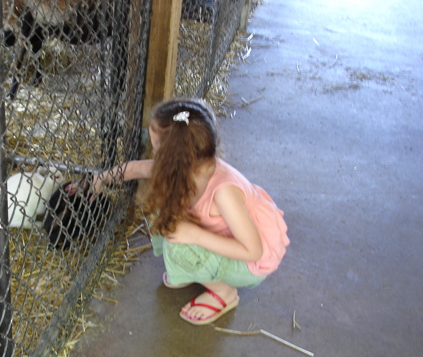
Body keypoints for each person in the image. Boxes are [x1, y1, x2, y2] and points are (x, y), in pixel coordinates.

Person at [83, 98, 290, 325]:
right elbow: (135, 169)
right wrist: (100, 180)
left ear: (174, 156)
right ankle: (191, 270)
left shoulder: (224, 193)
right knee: (166, 211)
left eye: (156, 148)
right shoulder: (188, 166)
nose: (153, 152)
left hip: (252, 263)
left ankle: (224, 293)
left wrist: (194, 235)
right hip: (229, 239)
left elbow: (253, 251)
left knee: (178, 243)